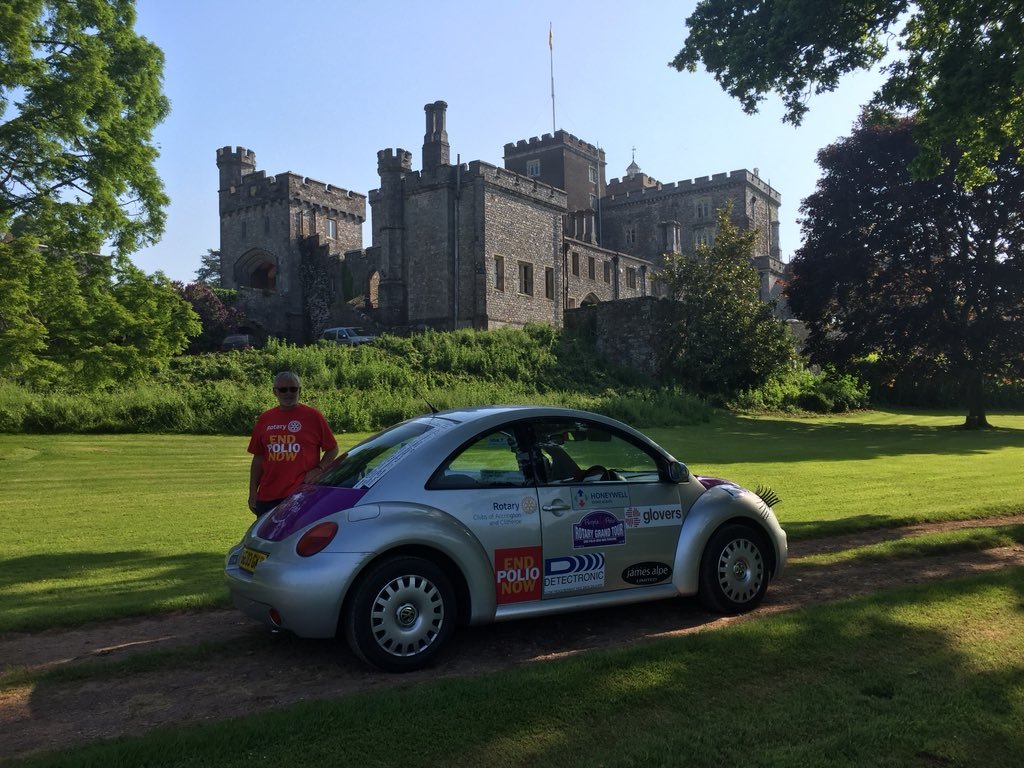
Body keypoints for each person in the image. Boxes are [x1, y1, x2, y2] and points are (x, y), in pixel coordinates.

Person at [247, 371, 339, 516]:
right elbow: (258, 458)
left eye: (293, 389)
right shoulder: (265, 419)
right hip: (267, 495)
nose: (288, 393)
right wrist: (253, 492)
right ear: (275, 392)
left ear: (299, 390)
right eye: (283, 390)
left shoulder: (313, 416)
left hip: (301, 493)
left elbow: (332, 449)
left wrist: (319, 469)